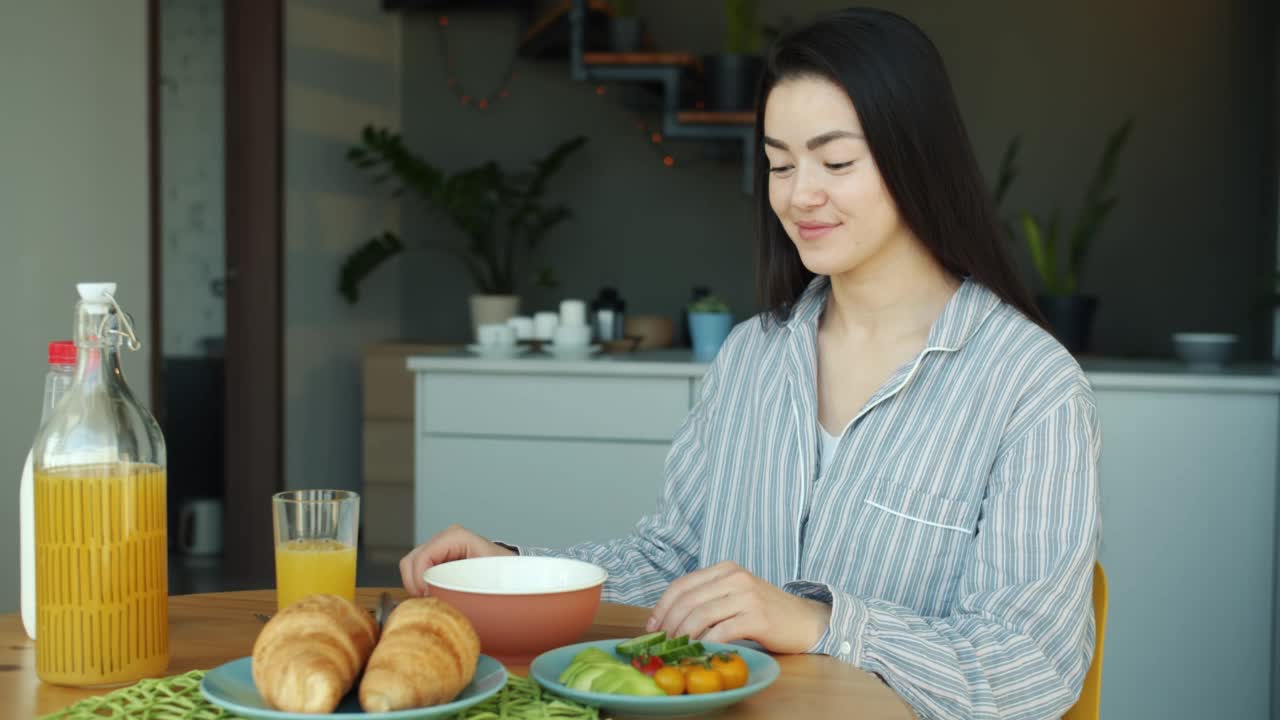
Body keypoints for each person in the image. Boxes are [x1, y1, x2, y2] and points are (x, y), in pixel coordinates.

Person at [400, 7, 1100, 719]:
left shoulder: (1029, 386)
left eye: (835, 162)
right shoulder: (751, 360)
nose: (800, 195)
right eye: (780, 164)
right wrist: (515, 573)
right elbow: (674, 559)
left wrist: (822, 624)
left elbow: (1033, 666)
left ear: (915, 155)